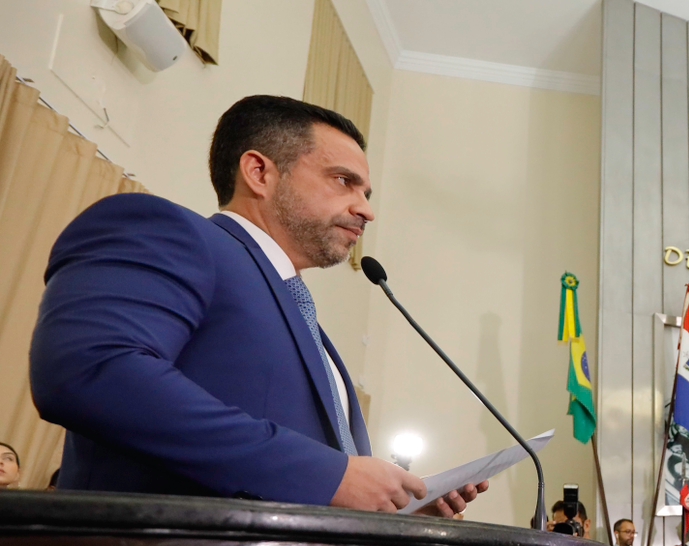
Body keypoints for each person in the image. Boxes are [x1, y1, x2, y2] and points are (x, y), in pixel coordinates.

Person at [30, 96, 485, 516]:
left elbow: (316, 484)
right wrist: (328, 476)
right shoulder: (169, 232)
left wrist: (394, 510)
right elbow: (90, 370)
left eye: (367, 194)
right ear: (259, 172)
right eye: (345, 182)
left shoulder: (300, 314)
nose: (366, 210)